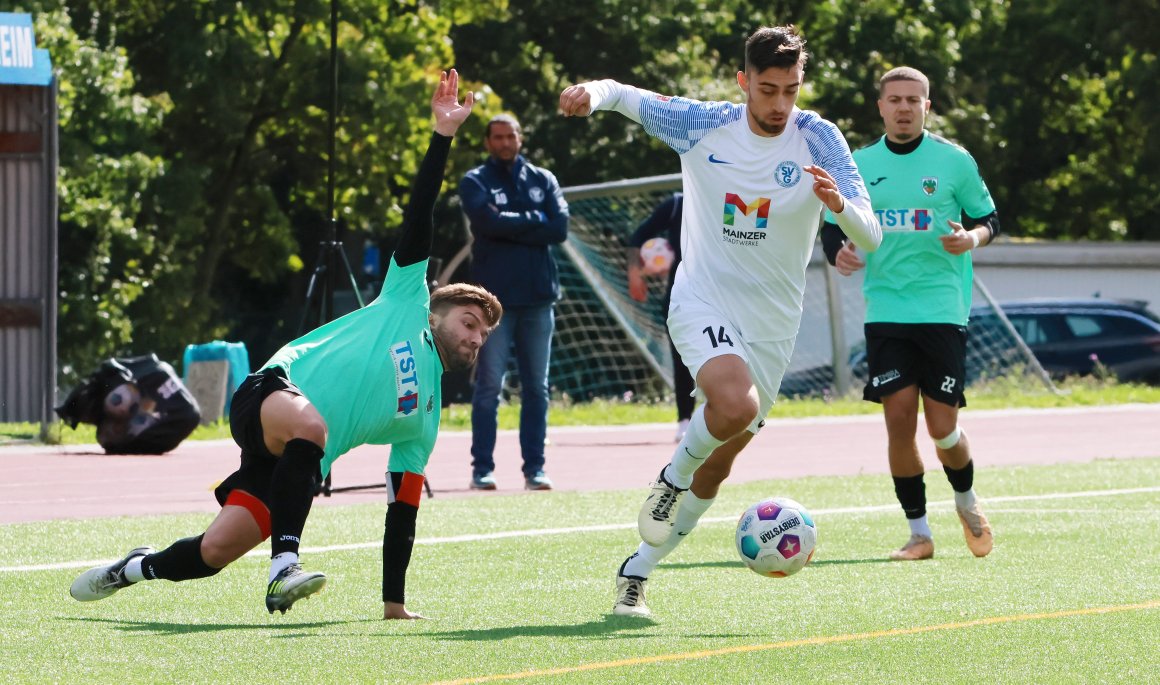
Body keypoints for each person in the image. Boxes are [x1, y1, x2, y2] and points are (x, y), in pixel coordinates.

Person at [69, 70, 501, 620]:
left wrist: (394, 604)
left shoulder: (427, 422)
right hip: (273, 390)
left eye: (483, 334)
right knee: (313, 429)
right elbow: (421, 215)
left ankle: (132, 568)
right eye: (469, 322)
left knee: (212, 553)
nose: (475, 337)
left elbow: (403, 511)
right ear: (436, 310)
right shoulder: (405, 300)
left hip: (296, 458)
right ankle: (283, 568)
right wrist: (442, 136)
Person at [559, 25, 882, 617]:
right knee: (733, 406)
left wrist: (839, 206)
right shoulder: (703, 125)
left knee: (720, 463)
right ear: (743, 82)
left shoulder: (818, 137)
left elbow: (871, 233)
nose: (780, 104)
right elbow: (630, 97)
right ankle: (669, 480)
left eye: (791, 90)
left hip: (773, 325)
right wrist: (593, 93)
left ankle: (637, 572)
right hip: (702, 299)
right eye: (767, 90)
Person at [821, 66, 997, 562]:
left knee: (942, 429)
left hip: (942, 309)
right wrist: (838, 253)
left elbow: (989, 218)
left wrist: (971, 238)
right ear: (881, 107)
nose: (903, 108)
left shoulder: (953, 161)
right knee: (899, 422)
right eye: (894, 99)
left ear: (927, 106)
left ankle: (966, 500)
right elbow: (833, 224)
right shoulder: (858, 165)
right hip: (887, 309)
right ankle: (919, 534)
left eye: (912, 100)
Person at [459, 113, 569, 491]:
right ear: (488, 142)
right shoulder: (475, 180)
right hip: (494, 305)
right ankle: (482, 469)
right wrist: (534, 220)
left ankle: (534, 469)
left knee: (537, 388)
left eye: (511, 136)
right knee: (489, 386)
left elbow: (559, 228)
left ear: (520, 138)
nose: (505, 143)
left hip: (538, 300)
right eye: (498, 137)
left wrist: (512, 224)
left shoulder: (543, 179)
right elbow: (487, 223)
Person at [626, 192, 696, 441]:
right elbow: (638, 236)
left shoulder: (726, 201)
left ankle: (727, 414)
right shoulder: (677, 204)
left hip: (719, 296)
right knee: (682, 361)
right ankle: (685, 420)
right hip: (679, 298)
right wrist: (635, 274)